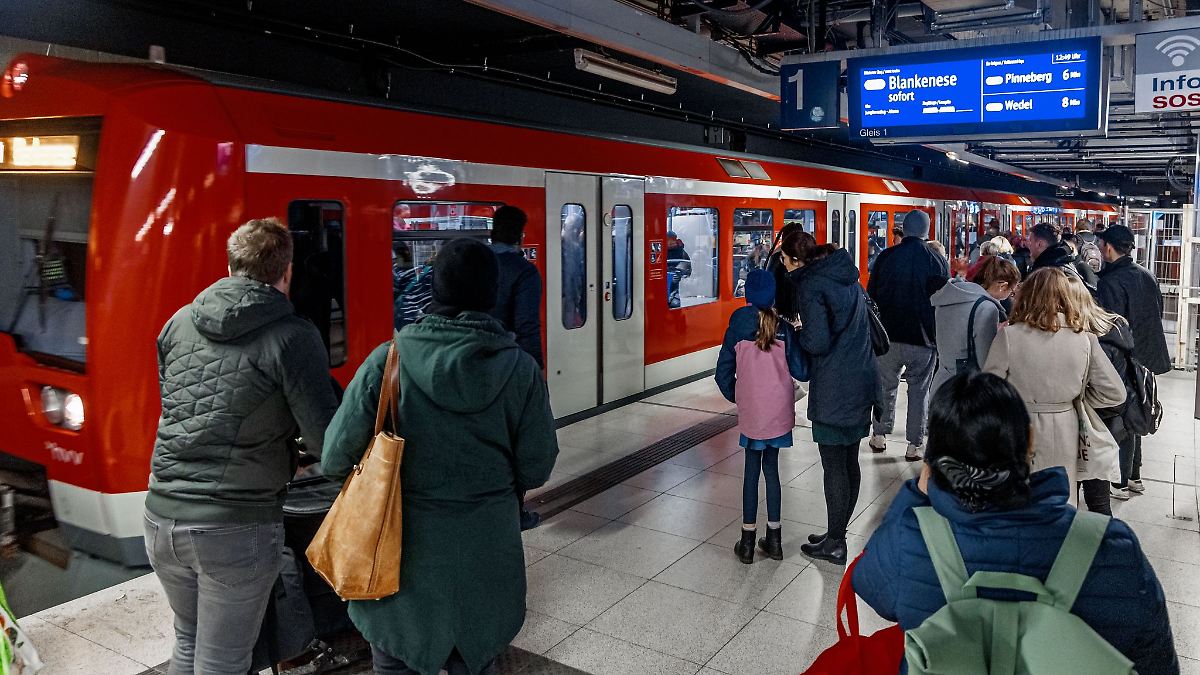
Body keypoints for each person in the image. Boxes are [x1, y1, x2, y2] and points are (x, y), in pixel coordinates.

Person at [322, 238, 558, 675]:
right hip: (486, 565)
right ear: (491, 294)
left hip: (397, 572)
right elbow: (537, 465)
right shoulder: (521, 370)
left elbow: (335, 457)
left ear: (434, 290)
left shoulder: (385, 363)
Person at [852, 372, 1180, 675]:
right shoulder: (1111, 545)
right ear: (1030, 443)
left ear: (935, 461)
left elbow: (870, 587)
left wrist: (918, 492)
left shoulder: (912, 536)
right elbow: (1157, 661)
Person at [146, 218, 340, 675]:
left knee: (188, 642)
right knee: (224, 661)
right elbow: (324, 440)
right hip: (234, 526)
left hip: (160, 516)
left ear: (230, 264)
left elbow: (179, 405)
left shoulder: (178, 322)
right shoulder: (293, 336)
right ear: (286, 272)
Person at [983, 268, 1125, 502]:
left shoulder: (1010, 335)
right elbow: (1115, 393)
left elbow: (988, 392)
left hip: (1017, 426)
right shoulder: (1085, 339)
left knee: (1018, 498)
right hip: (1064, 425)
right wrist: (1079, 399)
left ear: (1028, 295)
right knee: (1059, 498)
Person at [779, 230, 878, 565]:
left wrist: (798, 331)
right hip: (861, 379)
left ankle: (835, 542)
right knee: (849, 460)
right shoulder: (847, 276)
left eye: (784, 259)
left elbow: (818, 342)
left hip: (836, 385)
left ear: (795, 260)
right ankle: (837, 532)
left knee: (834, 464)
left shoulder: (811, 286)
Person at [715, 269, 808, 564]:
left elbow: (722, 374)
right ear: (772, 296)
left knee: (751, 473)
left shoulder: (737, 326)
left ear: (747, 296)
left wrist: (739, 396)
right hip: (778, 411)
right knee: (772, 472)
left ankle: (746, 541)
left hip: (753, 412)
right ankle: (775, 540)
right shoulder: (783, 328)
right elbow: (803, 372)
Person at [1096, 224, 1173, 496]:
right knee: (1138, 411)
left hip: (1124, 358)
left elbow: (1111, 325)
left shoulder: (1110, 281)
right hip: (1148, 356)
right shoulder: (1146, 274)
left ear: (1107, 247)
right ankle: (1135, 477)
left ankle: (1119, 481)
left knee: (1122, 419)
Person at [866, 210, 949, 461]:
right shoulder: (936, 260)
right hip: (924, 338)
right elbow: (943, 299)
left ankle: (879, 435)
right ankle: (914, 444)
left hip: (888, 337)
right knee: (919, 391)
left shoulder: (886, 256)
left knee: (885, 387)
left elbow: (872, 296)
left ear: (905, 228)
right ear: (927, 230)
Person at [1064, 276, 1138, 507]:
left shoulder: (1086, 338)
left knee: (1073, 494)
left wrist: (1079, 400)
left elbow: (1095, 386)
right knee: (1098, 497)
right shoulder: (1113, 326)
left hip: (1089, 424)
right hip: (1112, 421)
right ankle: (1104, 540)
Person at [928, 263, 1003, 398]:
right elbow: (985, 361)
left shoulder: (943, 299)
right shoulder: (986, 308)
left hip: (940, 385)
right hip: (967, 391)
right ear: (1002, 285)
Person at [488, 206, 543, 368]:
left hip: (472, 353)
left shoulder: (475, 262)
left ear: (492, 235)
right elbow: (527, 326)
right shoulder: (525, 272)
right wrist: (536, 366)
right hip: (506, 358)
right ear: (520, 238)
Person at [666, 230, 692, 309]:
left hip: (676, 283)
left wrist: (680, 272)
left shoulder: (681, 252)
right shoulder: (660, 250)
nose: (671, 243)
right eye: (668, 240)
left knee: (675, 303)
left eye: (672, 240)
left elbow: (687, 267)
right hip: (663, 279)